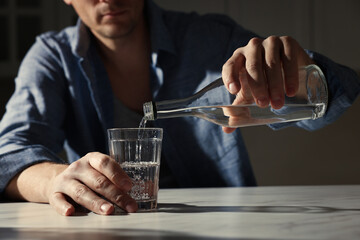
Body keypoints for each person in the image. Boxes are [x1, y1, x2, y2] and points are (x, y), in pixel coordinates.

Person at [0, 0, 359, 216]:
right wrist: (56, 181)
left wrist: (301, 76)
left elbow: (336, 98)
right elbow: (9, 154)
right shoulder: (52, 57)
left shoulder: (208, 37)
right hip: (110, 225)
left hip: (227, 224)